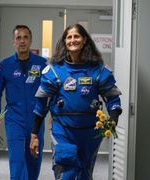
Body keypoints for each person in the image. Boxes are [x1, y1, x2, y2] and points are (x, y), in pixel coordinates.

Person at [29, 23, 122, 179]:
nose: (73, 40)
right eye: (69, 37)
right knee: (67, 172)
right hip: (63, 131)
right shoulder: (54, 71)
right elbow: (41, 106)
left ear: (84, 40)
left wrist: (112, 120)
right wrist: (34, 134)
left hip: (90, 132)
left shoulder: (97, 70)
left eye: (77, 36)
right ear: (65, 41)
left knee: (84, 174)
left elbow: (113, 98)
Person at [0, 25, 47, 180]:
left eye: (25, 37)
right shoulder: (5, 65)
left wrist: (54, 116)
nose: (22, 41)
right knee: (17, 160)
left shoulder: (42, 64)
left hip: (36, 119)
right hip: (14, 119)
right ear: (13, 42)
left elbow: (52, 92)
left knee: (33, 160)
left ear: (30, 41)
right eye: (18, 37)